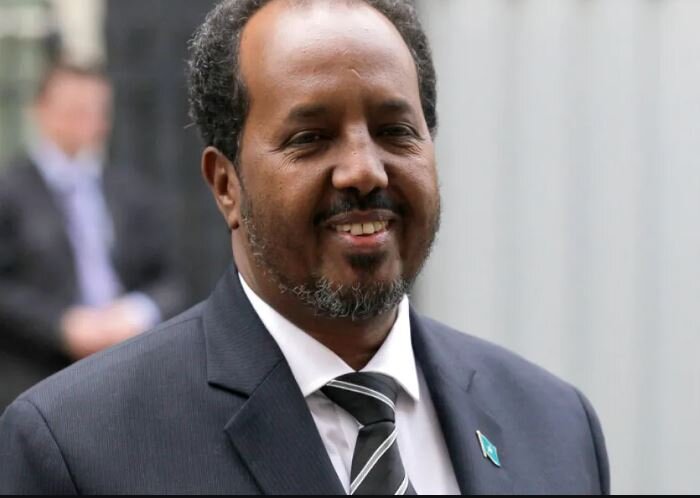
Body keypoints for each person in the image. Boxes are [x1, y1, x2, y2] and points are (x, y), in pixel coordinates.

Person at [0, 0, 609, 494]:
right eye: (310, 138)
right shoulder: (77, 448)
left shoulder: (556, 426)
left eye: (395, 131)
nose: (364, 170)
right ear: (226, 185)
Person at [0, 64, 188, 409]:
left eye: (96, 110)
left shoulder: (129, 191)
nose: (88, 121)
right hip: (36, 376)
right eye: (75, 109)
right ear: (41, 110)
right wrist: (61, 325)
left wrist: (136, 313)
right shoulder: (9, 193)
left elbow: (169, 280)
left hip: (128, 365)